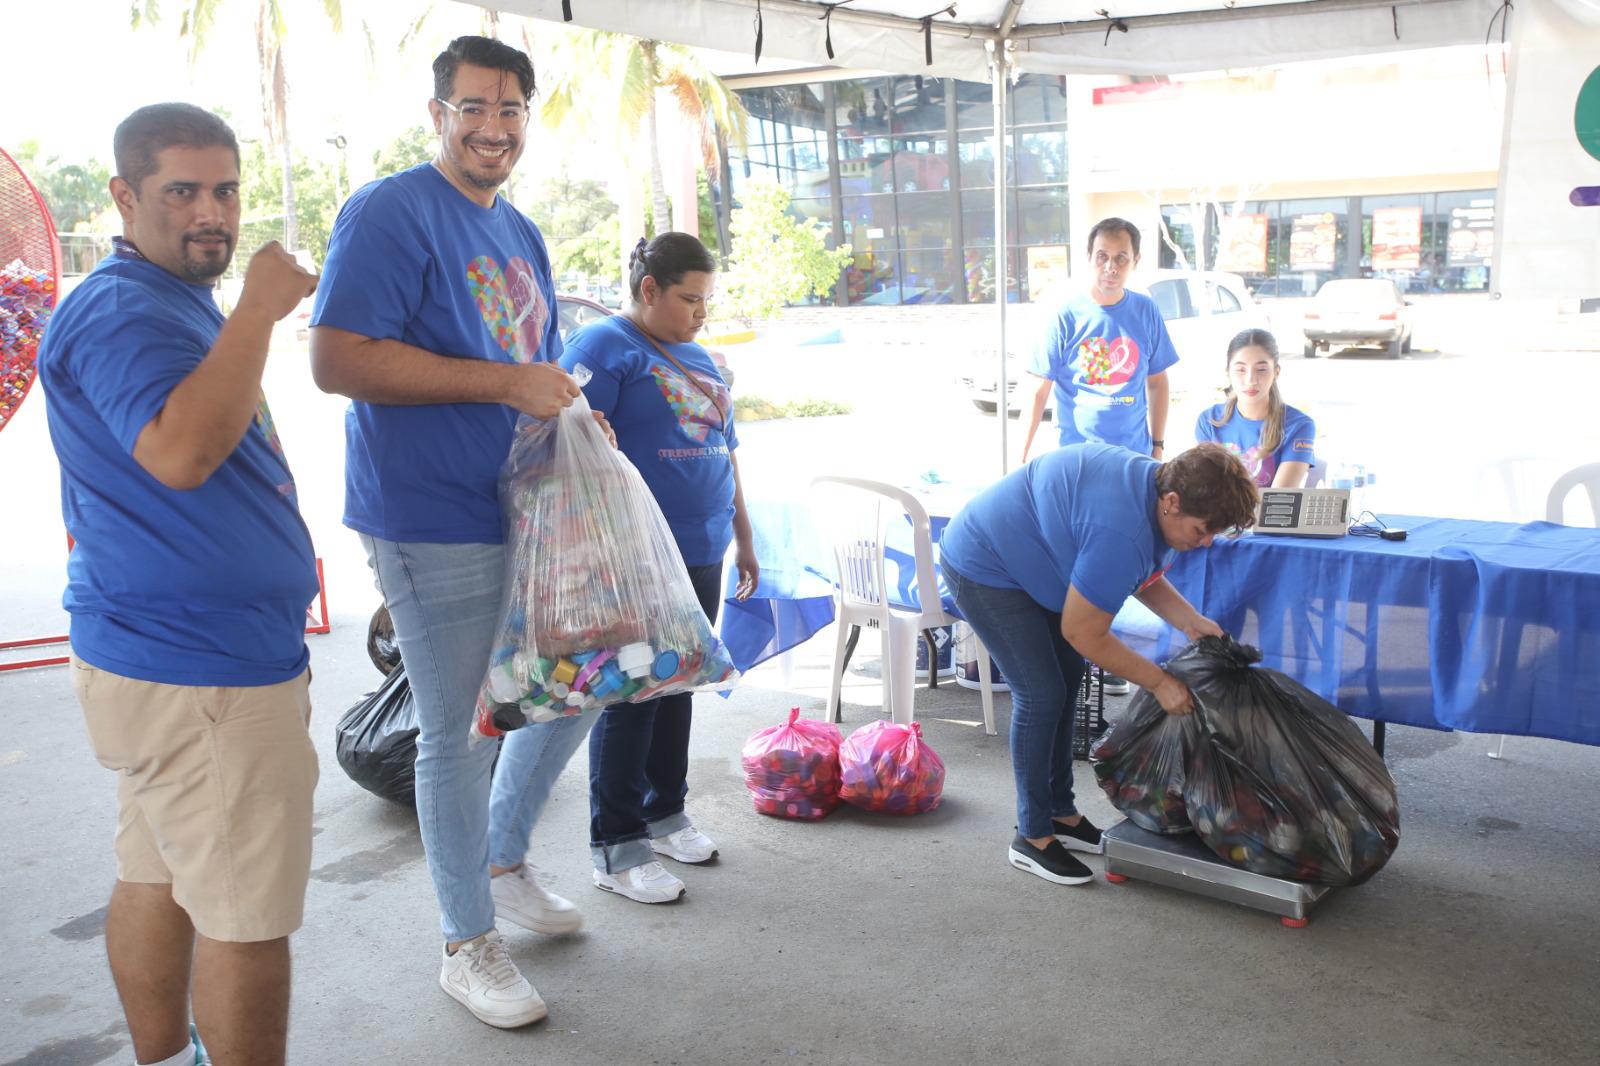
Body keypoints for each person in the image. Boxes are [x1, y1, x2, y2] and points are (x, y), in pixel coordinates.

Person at [310, 36, 606, 1029]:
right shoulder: (390, 212)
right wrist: (502, 383)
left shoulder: (518, 230)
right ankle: (464, 942)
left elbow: (531, 362)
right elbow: (338, 359)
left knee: (573, 689)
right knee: (459, 728)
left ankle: (505, 861)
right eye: (473, 106)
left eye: (511, 108)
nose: (494, 126)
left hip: (523, 501)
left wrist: (568, 409)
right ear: (436, 113)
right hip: (427, 513)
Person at [37, 103, 320, 1066]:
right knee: (246, 914)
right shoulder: (126, 309)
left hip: (171, 658)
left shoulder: (164, 298)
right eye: (183, 192)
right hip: (203, 669)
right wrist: (257, 310)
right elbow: (183, 451)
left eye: (227, 190)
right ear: (124, 197)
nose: (214, 213)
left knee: (159, 875)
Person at [939, 443, 1259, 886]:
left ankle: (1061, 812)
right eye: (1203, 529)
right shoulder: (1121, 529)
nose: (1205, 542)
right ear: (1171, 503)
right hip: (985, 564)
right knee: (1041, 693)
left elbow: (1140, 572)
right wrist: (1160, 683)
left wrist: (1190, 621)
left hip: (1039, 560)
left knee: (1068, 681)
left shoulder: (1159, 494)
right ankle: (1031, 836)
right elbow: (1085, 632)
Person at [558, 233, 759, 903]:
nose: (700, 312)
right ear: (649, 290)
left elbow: (727, 457)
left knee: (680, 683)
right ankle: (615, 847)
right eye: (689, 299)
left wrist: (746, 539)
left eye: (707, 299)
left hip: (704, 547)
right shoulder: (603, 350)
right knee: (635, 691)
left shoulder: (701, 358)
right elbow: (569, 450)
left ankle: (664, 812)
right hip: (635, 550)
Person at [1021, 218, 1179, 465]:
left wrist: (1157, 447)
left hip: (1134, 459)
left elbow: (1158, 382)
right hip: (1076, 459)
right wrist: (1020, 459)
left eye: (1121, 258)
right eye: (1102, 256)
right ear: (1089, 257)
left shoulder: (1146, 311)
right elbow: (1038, 393)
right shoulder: (1065, 315)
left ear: (1135, 261)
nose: (1110, 267)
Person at [1194, 328, 1316, 488]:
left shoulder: (1299, 425)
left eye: (1261, 369)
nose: (1251, 380)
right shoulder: (1209, 421)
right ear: (1228, 372)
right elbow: (1204, 490)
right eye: (1240, 370)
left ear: (1276, 372)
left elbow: (1278, 500)